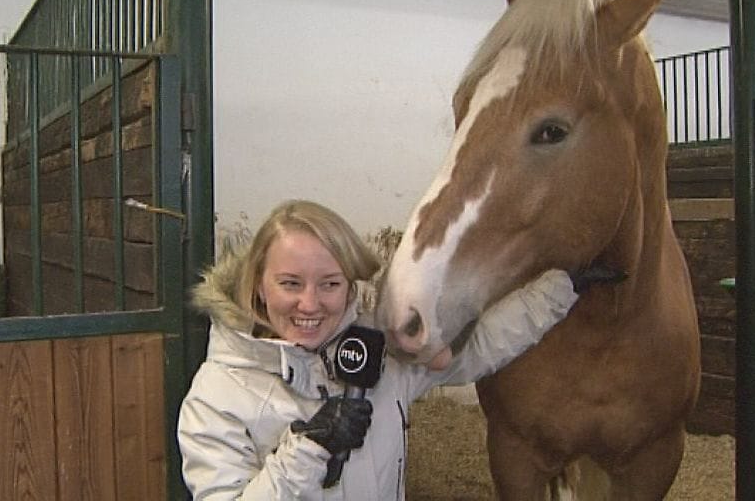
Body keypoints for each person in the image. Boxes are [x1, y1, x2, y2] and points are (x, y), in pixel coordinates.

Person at [177, 199, 595, 500]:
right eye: (290, 283)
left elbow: (481, 347)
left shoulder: (379, 354)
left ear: (350, 285)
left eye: (330, 283)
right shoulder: (216, 396)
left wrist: (560, 290)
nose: (310, 303)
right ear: (258, 288)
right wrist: (307, 447)